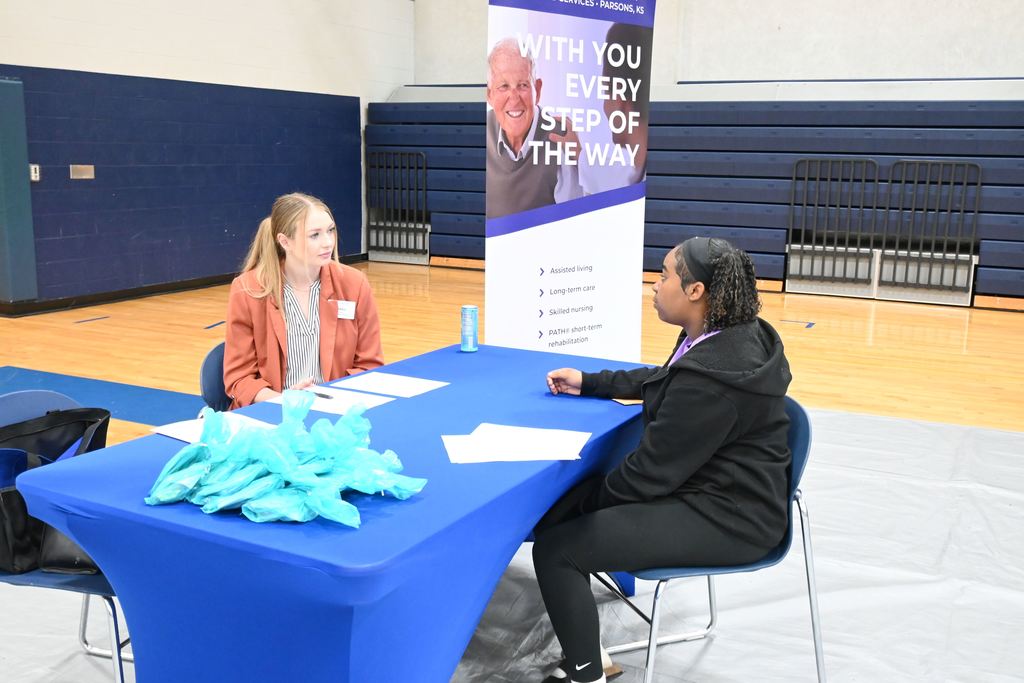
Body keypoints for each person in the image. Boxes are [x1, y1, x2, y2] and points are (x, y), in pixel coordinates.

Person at [535, 237, 793, 683]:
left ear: (695, 290)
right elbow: (667, 379)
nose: (654, 285)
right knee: (560, 518)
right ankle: (591, 652)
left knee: (557, 549)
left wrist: (576, 505)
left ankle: (587, 675)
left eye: (664, 275)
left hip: (731, 519)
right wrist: (592, 382)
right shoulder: (724, 334)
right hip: (718, 490)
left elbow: (646, 477)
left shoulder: (713, 380)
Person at [223, 192, 384, 408]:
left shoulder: (354, 284)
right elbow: (239, 379)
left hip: (335, 410)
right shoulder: (248, 290)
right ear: (285, 241)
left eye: (330, 231)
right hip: (274, 412)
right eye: (314, 235)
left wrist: (331, 400)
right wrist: (285, 401)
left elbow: (370, 365)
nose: (328, 242)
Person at [486, 37, 581, 218]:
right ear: (489, 94)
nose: (514, 98)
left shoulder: (561, 138)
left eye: (523, 85)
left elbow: (572, 221)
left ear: (538, 90)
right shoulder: (481, 130)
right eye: (504, 86)